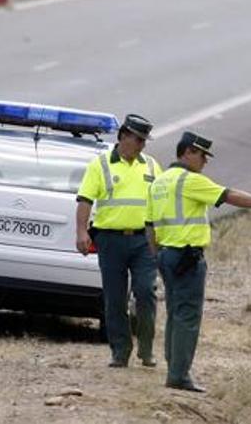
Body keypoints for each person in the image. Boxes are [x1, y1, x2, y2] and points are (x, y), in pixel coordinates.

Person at [147, 131, 251, 392]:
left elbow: (149, 225)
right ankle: (179, 375)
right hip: (186, 257)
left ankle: (174, 368)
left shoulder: (159, 182)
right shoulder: (189, 181)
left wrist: (156, 254)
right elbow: (229, 195)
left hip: (166, 254)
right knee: (187, 316)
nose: (205, 162)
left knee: (174, 314)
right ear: (188, 152)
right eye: (203, 155)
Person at [76, 114, 161, 368]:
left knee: (146, 292)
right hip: (111, 241)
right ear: (123, 136)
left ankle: (146, 348)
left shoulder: (151, 166)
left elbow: (164, 199)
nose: (142, 145)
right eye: (138, 139)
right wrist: (81, 232)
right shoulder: (100, 165)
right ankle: (120, 351)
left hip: (143, 240)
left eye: (145, 141)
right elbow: (85, 200)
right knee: (114, 299)